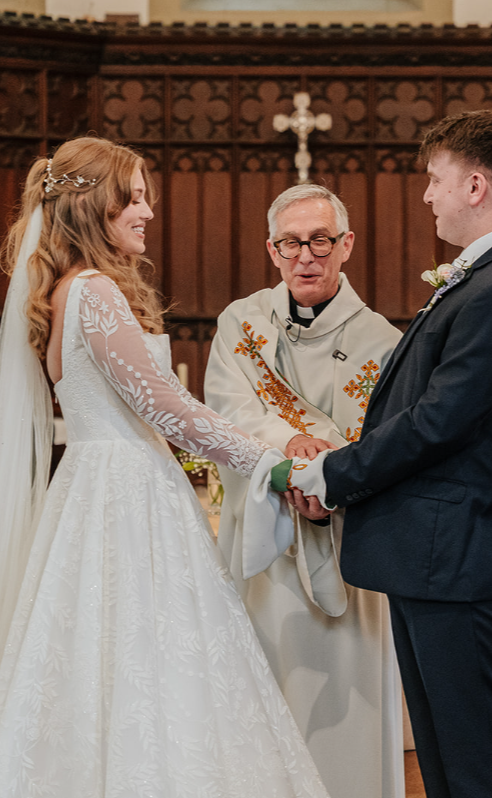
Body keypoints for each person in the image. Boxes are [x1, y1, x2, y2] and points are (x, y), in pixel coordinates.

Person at [0, 136, 332, 798]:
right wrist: (272, 465)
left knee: (103, 659)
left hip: (93, 489)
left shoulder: (62, 291)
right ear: (93, 208)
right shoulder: (95, 292)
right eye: (133, 198)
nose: (146, 212)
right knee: (150, 655)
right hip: (127, 493)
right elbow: (167, 408)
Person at [277, 110, 492, 798]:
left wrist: (333, 472)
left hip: (456, 557)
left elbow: (438, 423)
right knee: (442, 757)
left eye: (436, 179)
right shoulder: (489, 276)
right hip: (436, 556)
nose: (427, 194)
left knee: (474, 765)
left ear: (476, 185)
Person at [204, 184, 405, 798]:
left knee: (343, 712)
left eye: (320, 240)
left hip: (345, 544)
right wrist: (292, 457)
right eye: (291, 243)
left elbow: (388, 438)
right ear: (272, 249)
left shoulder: (385, 342)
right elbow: (225, 408)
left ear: (346, 245)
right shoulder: (240, 323)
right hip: (264, 541)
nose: (305, 256)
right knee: (265, 695)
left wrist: (329, 477)